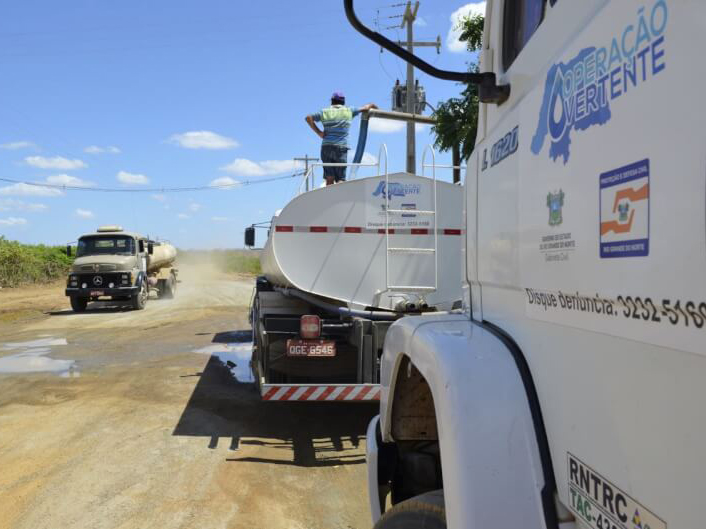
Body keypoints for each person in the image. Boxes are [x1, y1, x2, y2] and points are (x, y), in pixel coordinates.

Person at [306, 92, 377, 185]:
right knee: (341, 179)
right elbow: (366, 107)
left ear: (332, 101)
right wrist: (373, 105)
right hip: (341, 147)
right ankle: (340, 197)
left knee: (329, 178)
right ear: (343, 102)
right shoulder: (349, 110)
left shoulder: (324, 112)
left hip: (326, 147)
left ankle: (330, 198)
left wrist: (319, 133)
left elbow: (308, 118)